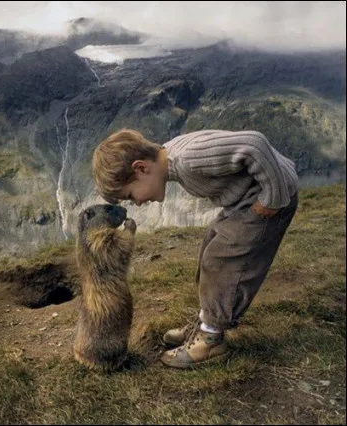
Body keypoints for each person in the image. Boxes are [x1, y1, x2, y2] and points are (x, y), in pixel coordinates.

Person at [92, 128, 299, 369]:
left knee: (222, 261)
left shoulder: (189, 159)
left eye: (131, 195)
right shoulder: (171, 158)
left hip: (267, 196)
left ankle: (211, 338)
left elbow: (254, 143)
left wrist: (272, 197)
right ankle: (205, 322)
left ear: (141, 168)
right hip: (244, 198)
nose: (137, 202)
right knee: (210, 248)